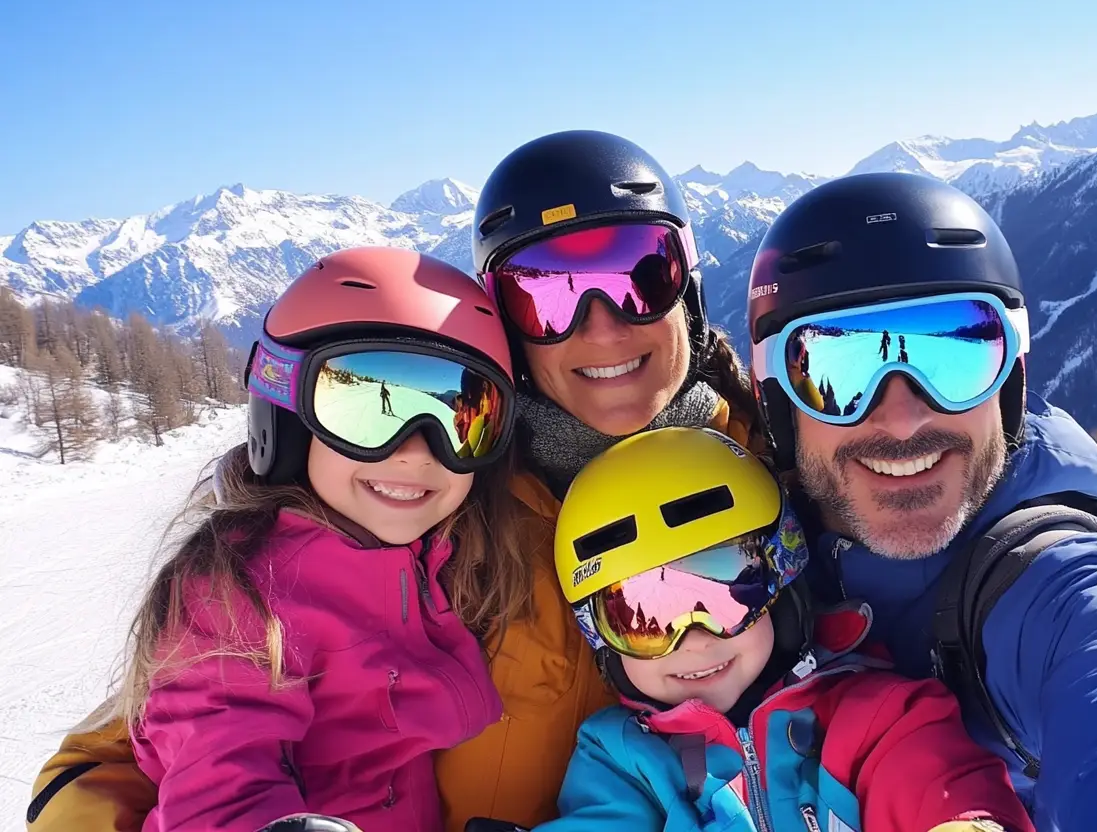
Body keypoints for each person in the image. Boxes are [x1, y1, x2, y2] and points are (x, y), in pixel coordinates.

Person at [28, 131, 765, 832]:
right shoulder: (440, 518)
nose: (600, 325)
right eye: (546, 296)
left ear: (689, 290)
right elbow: (169, 742)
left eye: (642, 274)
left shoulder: (778, 473)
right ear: (505, 332)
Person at [746, 172, 1097, 831]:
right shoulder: (739, 545)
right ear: (778, 407)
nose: (903, 417)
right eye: (837, 370)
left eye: (955, 353)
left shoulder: (1054, 583)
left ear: (1012, 380)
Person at [131, 246, 518, 831]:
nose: (413, 452)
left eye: (461, 417)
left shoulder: (444, 561)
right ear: (283, 420)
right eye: (365, 413)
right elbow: (219, 773)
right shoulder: (238, 597)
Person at [540, 425, 1034, 832]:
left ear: (784, 588)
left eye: (725, 592)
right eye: (643, 621)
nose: (694, 639)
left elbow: (933, 781)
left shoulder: (875, 715)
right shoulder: (623, 761)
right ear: (602, 641)